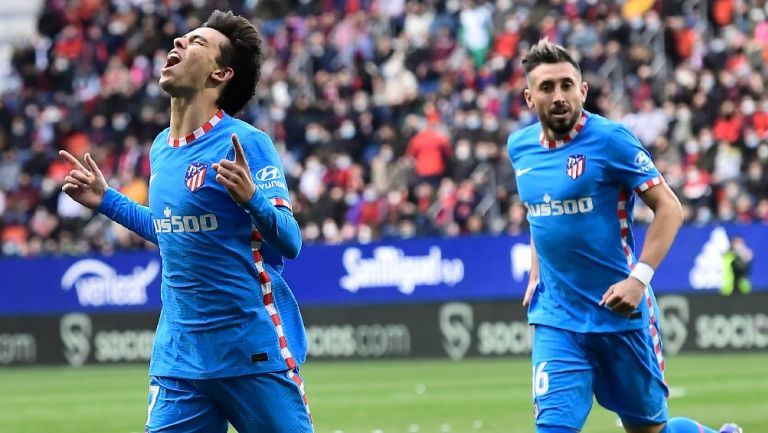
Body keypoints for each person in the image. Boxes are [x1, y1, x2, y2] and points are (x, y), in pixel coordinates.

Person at [59, 10, 312, 433]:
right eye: (182, 37)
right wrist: (106, 200)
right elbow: (170, 230)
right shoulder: (161, 147)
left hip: (248, 350)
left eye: (196, 42)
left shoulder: (247, 142)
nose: (178, 43)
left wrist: (253, 200)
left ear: (220, 74)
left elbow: (290, 241)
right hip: (179, 359)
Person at [509, 39, 742, 433]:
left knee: (649, 431)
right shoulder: (520, 148)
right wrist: (536, 272)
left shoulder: (610, 140)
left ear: (583, 90)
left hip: (619, 314)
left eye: (567, 85)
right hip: (558, 318)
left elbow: (669, 208)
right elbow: (540, 213)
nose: (560, 95)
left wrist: (639, 279)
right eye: (547, 87)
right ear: (529, 97)